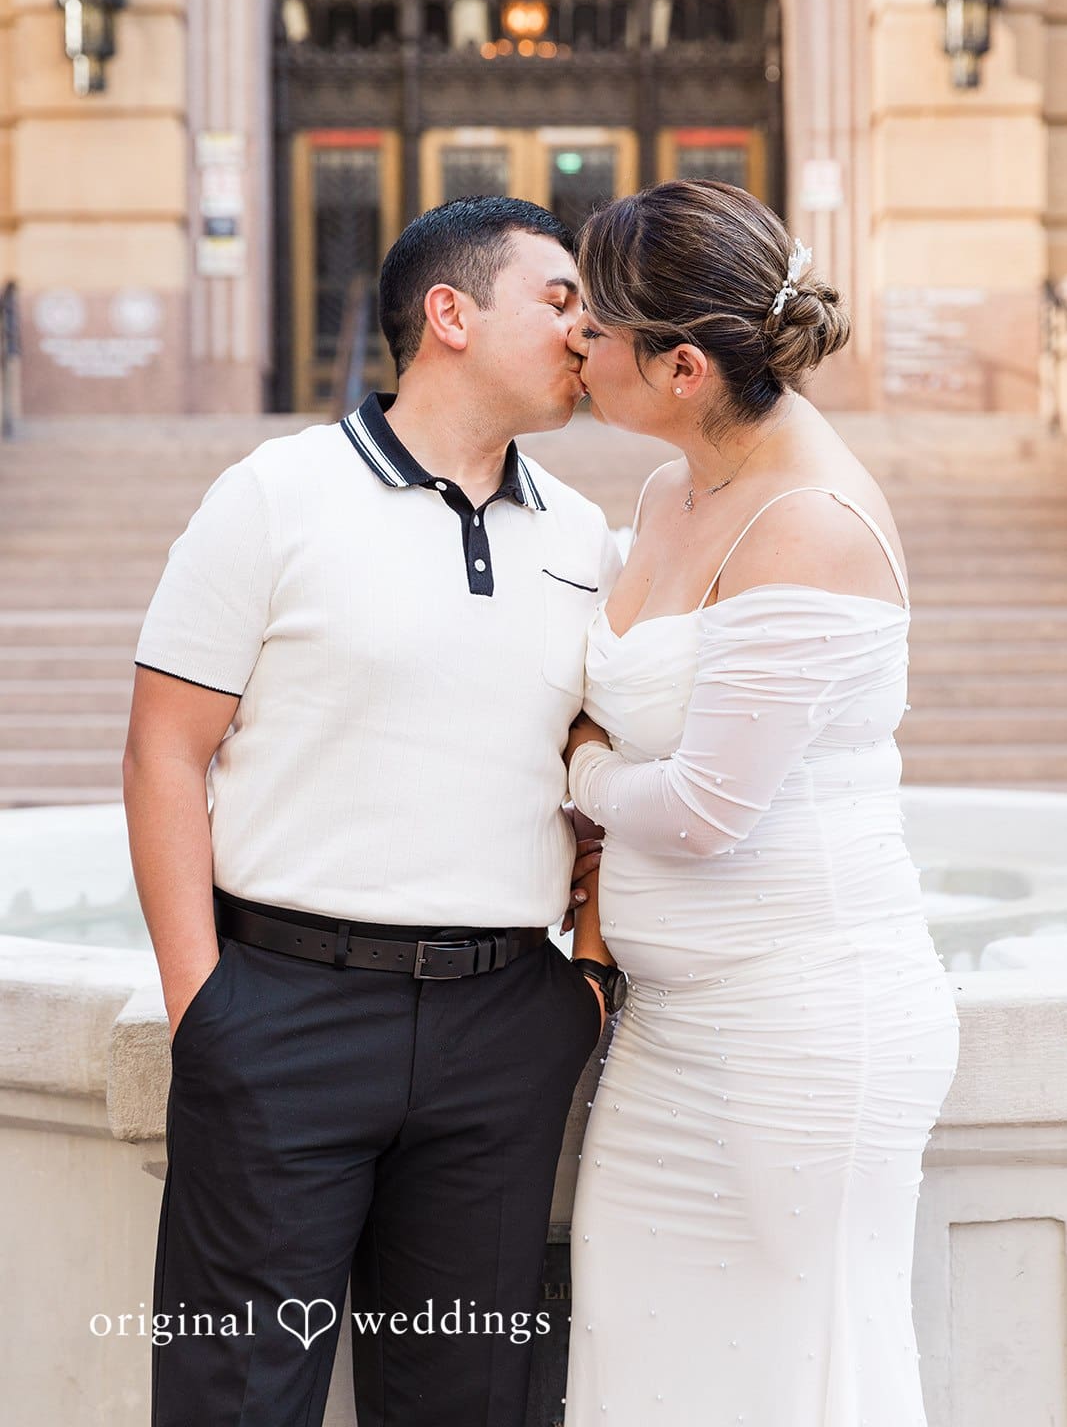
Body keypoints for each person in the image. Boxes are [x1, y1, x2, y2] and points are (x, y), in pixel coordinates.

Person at [122, 195, 621, 1427]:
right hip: (282, 1013)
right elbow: (163, 751)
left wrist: (587, 976)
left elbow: (607, 771)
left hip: (503, 1025)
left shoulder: (590, 536)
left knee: (469, 1402)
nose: (584, 329)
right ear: (448, 314)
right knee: (237, 1400)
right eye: (557, 299)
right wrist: (207, 1009)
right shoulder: (273, 493)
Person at [560, 180, 961, 1427]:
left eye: (597, 325)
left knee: (794, 1377)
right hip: (672, 1032)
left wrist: (574, 767)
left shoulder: (810, 525)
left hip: (803, 1029)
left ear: (680, 367)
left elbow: (699, 812)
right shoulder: (665, 493)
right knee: (644, 1367)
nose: (573, 338)